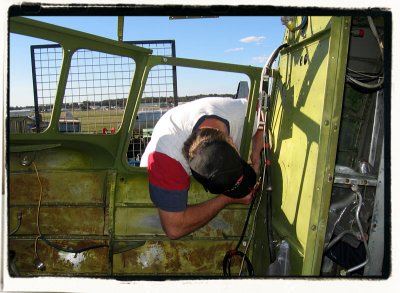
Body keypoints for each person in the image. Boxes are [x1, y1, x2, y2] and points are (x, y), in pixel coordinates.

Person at [140, 97, 264, 239]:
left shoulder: (240, 113)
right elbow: (174, 228)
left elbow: (261, 114)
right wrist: (227, 199)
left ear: (231, 142)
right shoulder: (167, 160)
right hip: (164, 171)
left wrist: (256, 156)